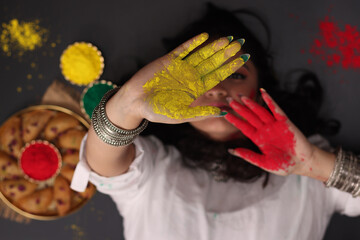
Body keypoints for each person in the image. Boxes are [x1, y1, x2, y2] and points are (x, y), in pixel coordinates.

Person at [71, 3, 360, 240]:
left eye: (236, 74)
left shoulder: (310, 166)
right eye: (199, 78)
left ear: (261, 91)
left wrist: (313, 162)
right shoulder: (154, 167)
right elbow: (103, 166)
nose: (218, 88)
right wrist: (126, 105)